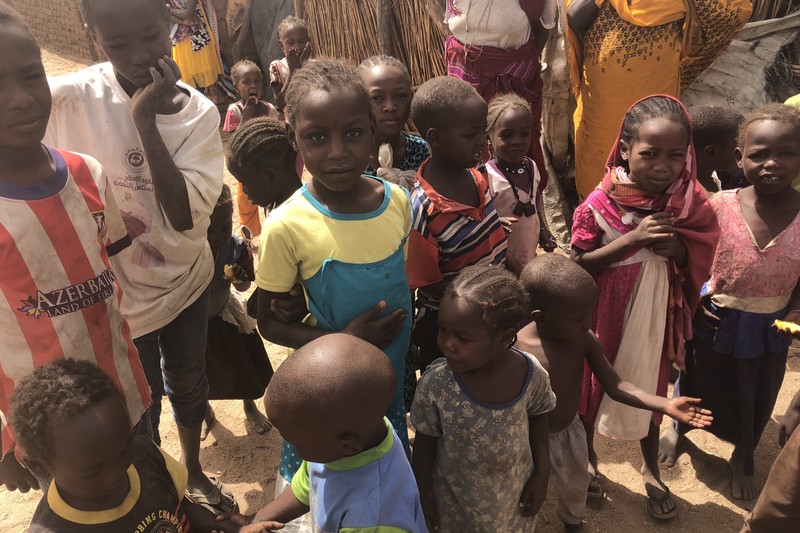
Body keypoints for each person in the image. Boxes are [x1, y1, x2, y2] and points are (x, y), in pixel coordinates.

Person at [45, 0, 230, 513]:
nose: (136, 56)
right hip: (118, 304)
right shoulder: (69, 100)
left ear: (169, 26)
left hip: (185, 281)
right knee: (137, 408)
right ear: (92, 35)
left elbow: (182, 216)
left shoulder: (198, 113)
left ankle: (191, 472)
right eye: (116, 44)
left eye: (148, 37)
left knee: (188, 383)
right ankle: (152, 488)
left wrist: (143, 120)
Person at [0, 2, 151, 495]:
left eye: (29, 76)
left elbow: (109, 284)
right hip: (55, 438)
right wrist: (5, 441)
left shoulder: (89, 174)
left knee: (150, 500)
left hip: (128, 397)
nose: (20, 99)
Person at [253, 58, 413, 519]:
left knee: (381, 479)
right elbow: (269, 323)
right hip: (327, 396)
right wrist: (347, 341)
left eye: (354, 133)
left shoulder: (396, 202)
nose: (339, 152)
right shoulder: (287, 225)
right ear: (295, 139)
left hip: (391, 376)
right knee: (323, 489)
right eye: (317, 138)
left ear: (372, 131)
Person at [571, 95, 719, 520]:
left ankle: (651, 470)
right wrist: (631, 240)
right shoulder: (599, 205)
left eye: (676, 156)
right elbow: (578, 264)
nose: (662, 166)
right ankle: (590, 460)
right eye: (649, 153)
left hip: (655, 311)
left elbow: (701, 249)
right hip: (603, 311)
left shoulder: (688, 202)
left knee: (649, 386)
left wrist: (679, 250)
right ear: (624, 151)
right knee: (593, 386)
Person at [659, 104, 800, 501]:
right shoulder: (719, 205)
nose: (772, 163)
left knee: (757, 392)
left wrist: (796, 310)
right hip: (713, 318)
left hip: (771, 327)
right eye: (759, 154)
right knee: (699, 378)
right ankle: (679, 427)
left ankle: (744, 453)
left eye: (787, 153)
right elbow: (693, 259)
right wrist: (696, 297)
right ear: (739, 158)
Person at [515, 254, 713, 530]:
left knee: (574, 488)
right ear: (541, 318)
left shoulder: (582, 339)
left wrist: (664, 403)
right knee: (523, 493)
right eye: (579, 318)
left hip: (567, 435)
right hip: (521, 439)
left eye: (589, 313)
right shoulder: (516, 349)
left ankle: (572, 522)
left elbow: (617, 385)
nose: (588, 322)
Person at [217, 334, 428, 533]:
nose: (288, 444)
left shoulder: (375, 518)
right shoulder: (355, 434)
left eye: (296, 442)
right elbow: (309, 481)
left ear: (347, 445)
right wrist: (254, 520)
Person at [10, 359, 240, 532]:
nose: (117, 473)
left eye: (123, 451)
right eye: (94, 470)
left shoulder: (145, 454)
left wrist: (213, 524)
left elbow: (181, 506)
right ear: (39, 466)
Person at [411, 264, 555, 532]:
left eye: (463, 338)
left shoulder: (531, 373)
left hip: (513, 498)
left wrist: (542, 473)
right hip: (454, 505)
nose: (447, 344)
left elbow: (538, 420)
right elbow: (424, 447)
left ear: (505, 339)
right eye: (443, 330)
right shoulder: (437, 384)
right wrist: (422, 494)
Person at [567, 0, 751, 199]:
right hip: (602, 90)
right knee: (600, 148)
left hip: (654, 78)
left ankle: (644, 209)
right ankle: (596, 209)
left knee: (653, 141)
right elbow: (574, 18)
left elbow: (734, 10)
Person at [406, 76, 508, 370]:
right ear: (435, 138)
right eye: (471, 133)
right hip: (456, 324)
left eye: (483, 130)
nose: (482, 140)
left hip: (490, 305)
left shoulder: (476, 175)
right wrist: (478, 292)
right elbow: (429, 282)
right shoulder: (423, 209)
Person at [442, 0, 557, 184]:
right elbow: (452, 22)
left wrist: (516, 62)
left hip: (516, 72)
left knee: (515, 134)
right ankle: (476, 197)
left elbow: (543, 25)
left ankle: (522, 195)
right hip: (466, 69)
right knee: (468, 137)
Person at [201, 185, 273, 440]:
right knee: (198, 374)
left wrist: (238, 279)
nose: (220, 235)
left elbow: (243, 285)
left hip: (223, 315)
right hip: (193, 324)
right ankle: (204, 411)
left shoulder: (234, 247)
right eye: (211, 229)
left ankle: (249, 405)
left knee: (242, 366)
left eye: (224, 226)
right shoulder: (186, 252)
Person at [485, 93, 555, 275]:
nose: (517, 141)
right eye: (506, 135)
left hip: (528, 253)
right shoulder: (487, 176)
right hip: (500, 262)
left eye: (524, 134)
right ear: (489, 137)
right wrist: (506, 260)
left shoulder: (531, 166)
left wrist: (542, 231)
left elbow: (535, 201)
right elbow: (484, 223)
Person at [223, 59, 279, 246]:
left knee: (272, 201)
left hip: (268, 166)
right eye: (246, 82)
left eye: (256, 82)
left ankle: (276, 233)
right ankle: (248, 240)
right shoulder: (235, 110)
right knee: (246, 204)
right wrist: (246, 118)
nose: (253, 86)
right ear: (236, 87)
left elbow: (276, 135)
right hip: (245, 167)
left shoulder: (269, 109)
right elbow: (233, 143)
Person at [357, 55, 430, 190]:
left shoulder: (420, 151)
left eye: (400, 96)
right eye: (377, 98)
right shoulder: (352, 158)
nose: (390, 106)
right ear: (360, 101)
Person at [689, 105, 744, 198]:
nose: (745, 151)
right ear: (711, 153)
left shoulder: (715, 178)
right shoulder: (691, 196)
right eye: (740, 145)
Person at [168, 0, 224, 90]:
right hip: (180, 38)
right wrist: (183, 22)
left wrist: (167, 10)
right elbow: (161, 14)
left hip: (198, 35)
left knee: (205, 71)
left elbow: (188, 14)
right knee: (188, 74)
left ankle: (211, 91)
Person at [269, 16, 312, 113]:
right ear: (281, 45)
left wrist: (304, 65)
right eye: (291, 42)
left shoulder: (315, 66)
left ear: (308, 41)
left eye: (301, 41)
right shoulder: (277, 67)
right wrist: (293, 71)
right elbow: (280, 104)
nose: (296, 47)